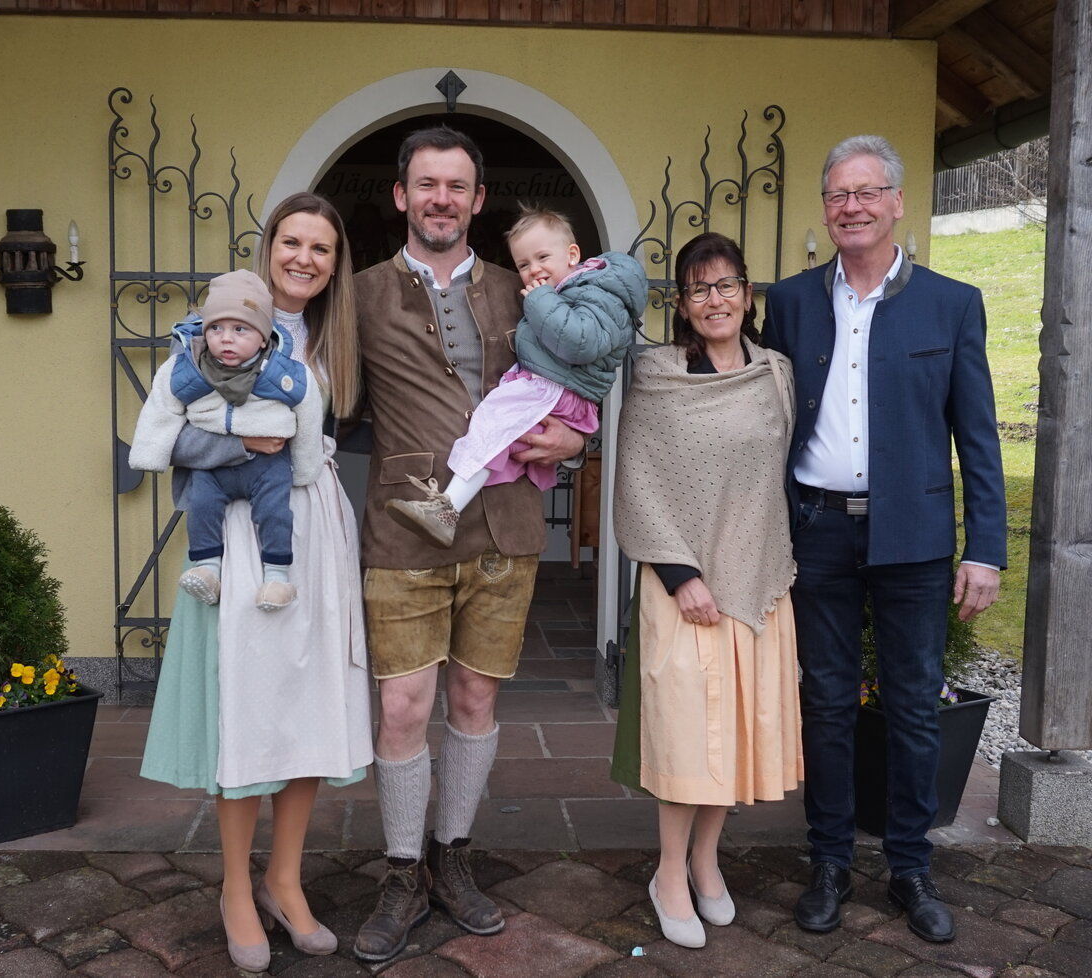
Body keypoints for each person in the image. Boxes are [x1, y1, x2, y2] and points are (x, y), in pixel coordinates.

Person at [350, 126, 586, 963]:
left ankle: (453, 857)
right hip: (405, 527)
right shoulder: (363, 291)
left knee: (476, 704)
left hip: (504, 525)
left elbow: (576, 378)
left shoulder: (526, 292)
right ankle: (402, 870)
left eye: (456, 186)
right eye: (426, 185)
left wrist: (575, 442)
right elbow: (319, 382)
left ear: (477, 200)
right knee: (403, 707)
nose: (441, 198)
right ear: (402, 197)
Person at [763, 135, 1006, 945]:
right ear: (825, 209)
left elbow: (978, 437)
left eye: (868, 191)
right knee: (826, 703)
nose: (853, 206)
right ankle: (829, 863)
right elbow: (766, 420)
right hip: (819, 532)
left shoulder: (952, 303)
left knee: (912, 706)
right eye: (838, 195)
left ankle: (910, 868)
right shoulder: (792, 302)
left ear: (898, 202)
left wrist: (987, 547)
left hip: (915, 537)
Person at [139, 192, 372, 972]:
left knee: (304, 702)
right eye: (293, 242)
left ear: (336, 264)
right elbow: (171, 437)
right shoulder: (222, 327)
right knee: (247, 704)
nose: (305, 258)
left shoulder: (337, 337)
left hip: (315, 529)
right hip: (238, 533)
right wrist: (247, 446)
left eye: (322, 248)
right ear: (269, 247)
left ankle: (285, 879)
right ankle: (235, 886)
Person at [610, 231, 803, 948]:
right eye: (699, 289)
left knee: (740, 734)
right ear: (683, 305)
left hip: (755, 576)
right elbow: (637, 480)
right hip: (682, 586)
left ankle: (705, 860)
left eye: (727, 286)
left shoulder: (777, 372)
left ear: (747, 294)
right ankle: (667, 873)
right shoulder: (657, 373)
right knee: (691, 736)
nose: (715, 300)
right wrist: (681, 574)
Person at [386, 205, 646, 548]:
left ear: (572, 255)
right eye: (523, 264)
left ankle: (446, 508)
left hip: (554, 388)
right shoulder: (567, 292)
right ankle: (448, 508)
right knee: (496, 432)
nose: (533, 269)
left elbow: (580, 343)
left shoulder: (592, 292)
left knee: (492, 425)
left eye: (542, 257)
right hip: (550, 385)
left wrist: (539, 300)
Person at [128, 269, 324, 612]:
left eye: (240, 329)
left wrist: (306, 467)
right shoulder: (189, 367)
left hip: (268, 464)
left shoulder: (282, 373)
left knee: (275, 512)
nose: (226, 339)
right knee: (201, 506)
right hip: (213, 465)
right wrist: (148, 453)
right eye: (216, 328)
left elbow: (308, 414)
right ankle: (207, 569)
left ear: (264, 338)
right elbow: (162, 406)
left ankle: (277, 575)